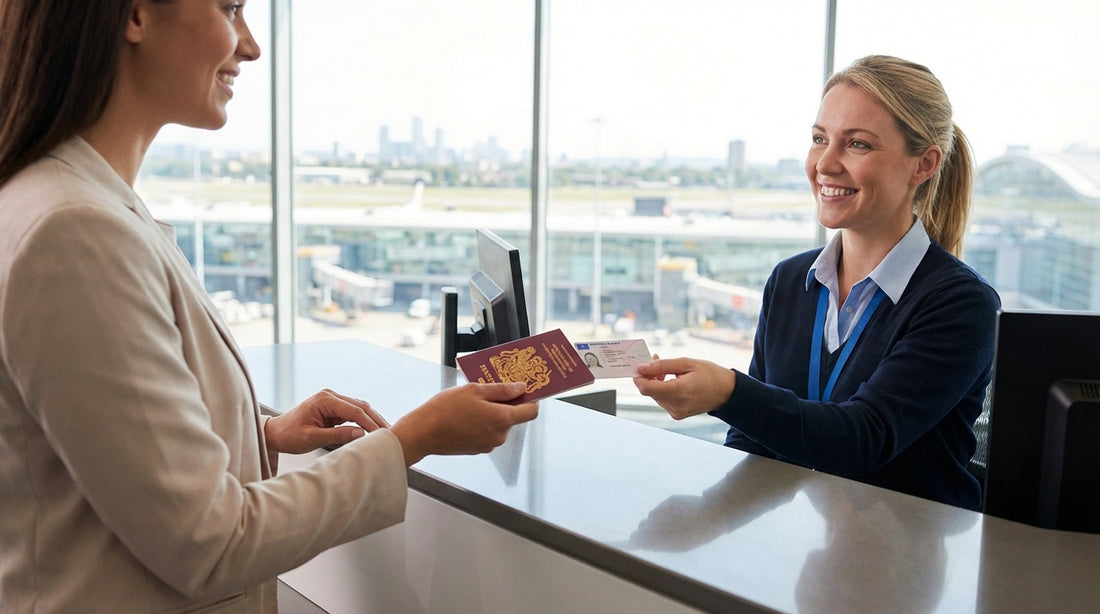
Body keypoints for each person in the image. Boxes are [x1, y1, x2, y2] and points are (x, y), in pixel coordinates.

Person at [0, 2, 537, 612]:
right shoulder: (75, 231)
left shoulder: (78, 204)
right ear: (137, 14)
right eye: (229, 9)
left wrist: (262, 435)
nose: (249, 47)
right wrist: (412, 440)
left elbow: (99, 450)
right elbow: (208, 543)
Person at [634, 55, 1000, 511]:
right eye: (819, 139)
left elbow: (862, 439)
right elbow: (753, 442)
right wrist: (711, 525)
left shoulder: (960, 304)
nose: (825, 164)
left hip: (907, 565)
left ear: (923, 165)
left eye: (858, 144)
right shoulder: (790, 281)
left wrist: (727, 392)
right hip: (796, 557)